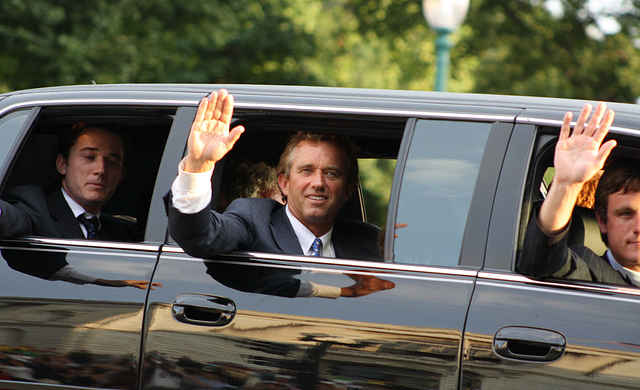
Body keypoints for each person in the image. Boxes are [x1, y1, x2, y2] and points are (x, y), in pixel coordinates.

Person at [166, 89, 380, 261]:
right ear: (284, 183)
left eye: (331, 173)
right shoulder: (253, 220)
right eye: (306, 170)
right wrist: (197, 166)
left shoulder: (367, 241)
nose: (318, 183)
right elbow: (198, 236)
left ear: (348, 191)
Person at [0, 123, 155, 288]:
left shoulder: (117, 231)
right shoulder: (33, 204)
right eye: (89, 157)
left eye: (111, 162)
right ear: (62, 164)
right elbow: (9, 217)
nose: (101, 169)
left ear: (121, 175)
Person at [518, 102, 640, 286]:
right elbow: (544, 260)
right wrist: (567, 184)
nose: (638, 227)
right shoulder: (588, 271)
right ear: (602, 220)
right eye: (626, 214)